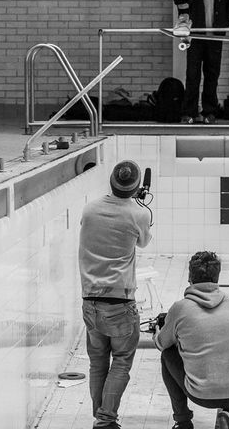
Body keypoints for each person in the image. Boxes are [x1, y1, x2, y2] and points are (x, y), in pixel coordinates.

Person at [79, 160, 153, 429]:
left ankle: (100, 416)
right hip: (120, 302)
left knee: (98, 362)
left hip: (90, 301)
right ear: (136, 187)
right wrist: (138, 204)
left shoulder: (89, 209)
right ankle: (105, 419)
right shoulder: (138, 214)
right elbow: (143, 242)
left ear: (111, 181)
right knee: (121, 361)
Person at [154, 251, 229, 429]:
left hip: (202, 395)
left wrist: (159, 331)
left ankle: (182, 421)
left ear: (190, 277)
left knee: (167, 354)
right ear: (217, 277)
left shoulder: (180, 308)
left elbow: (161, 343)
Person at [180, 0, 229, 125]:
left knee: (212, 74)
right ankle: (189, 112)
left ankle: (209, 112)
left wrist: (224, 23)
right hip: (195, 35)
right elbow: (183, 2)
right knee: (192, 74)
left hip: (215, 35)